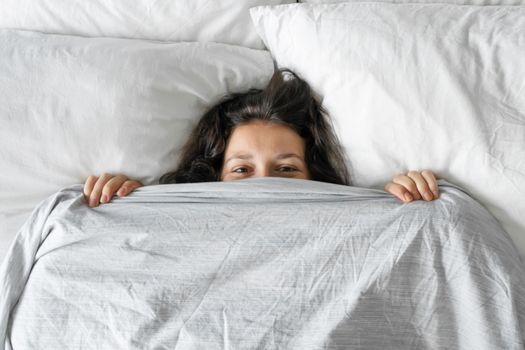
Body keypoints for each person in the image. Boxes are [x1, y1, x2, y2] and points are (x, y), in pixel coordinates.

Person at [83, 69, 439, 208]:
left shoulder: (345, 211)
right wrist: (122, 203)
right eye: (241, 170)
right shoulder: (177, 211)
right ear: (215, 175)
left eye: (286, 168)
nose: (264, 183)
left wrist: (408, 201)